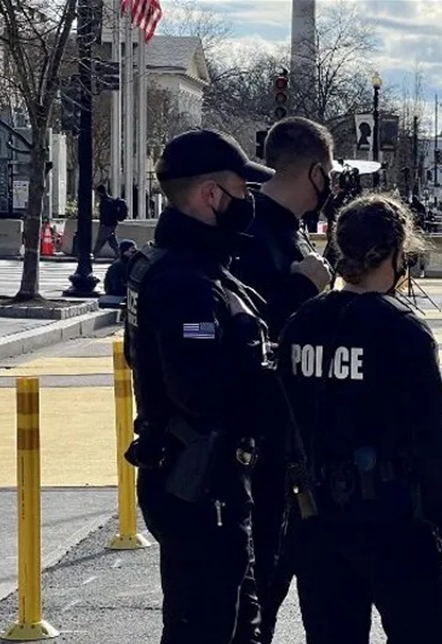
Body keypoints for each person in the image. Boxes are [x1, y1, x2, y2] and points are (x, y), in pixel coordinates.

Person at [278, 194, 442, 643]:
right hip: (394, 519)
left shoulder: (303, 322)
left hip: (317, 518)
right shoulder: (402, 330)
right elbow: (432, 438)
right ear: (395, 252)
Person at [122, 129, 279, 644]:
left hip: (205, 477)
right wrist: (269, 386)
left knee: (239, 620)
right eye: (241, 190)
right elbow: (200, 390)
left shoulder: (193, 267)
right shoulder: (186, 281)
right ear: (212, 194)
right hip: (200, 481)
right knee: (205, 625)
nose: (248, 202)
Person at [229, 116, 335, 644]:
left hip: (292, 436)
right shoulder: (250, 234)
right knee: (257, 591)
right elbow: (247, 335)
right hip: (259, 442)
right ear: (315, 171)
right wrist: (302, 290)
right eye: (328, 172)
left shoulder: (287, 229)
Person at [94, 184, 128, 258]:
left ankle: (93, 257)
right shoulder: (110, 201)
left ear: (100, 192)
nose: (97, 194)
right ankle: (120, 256)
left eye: (97, 192)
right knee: (112, 243)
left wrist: (103, 224)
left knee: (100, 242)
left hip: (106, 226)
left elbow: (105, 215)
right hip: (111, 225)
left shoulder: (105, 202)